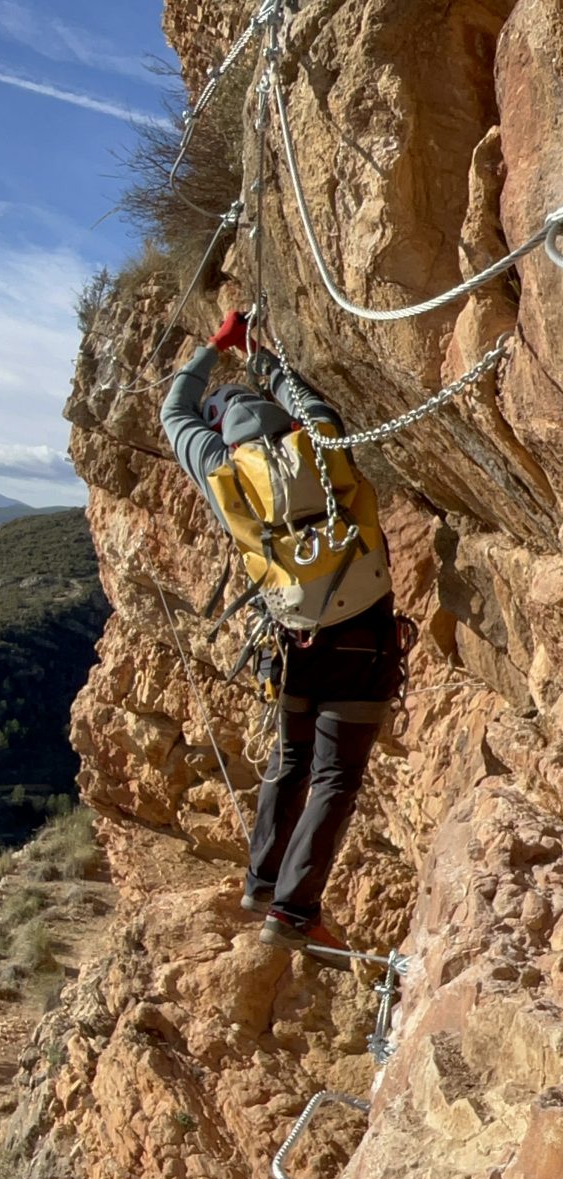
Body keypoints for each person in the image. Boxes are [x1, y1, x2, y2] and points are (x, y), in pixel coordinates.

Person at [160, 310, 403, 963]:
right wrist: (257, 351)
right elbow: (304, 395)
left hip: (298, 643)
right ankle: (293, 911)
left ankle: (264, 883)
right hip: (363, 636)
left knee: (294, 762)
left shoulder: (221, 469)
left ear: (224, 429)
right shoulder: (316, 439)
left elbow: (173, 411)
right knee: (335, 775)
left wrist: (213, 347)